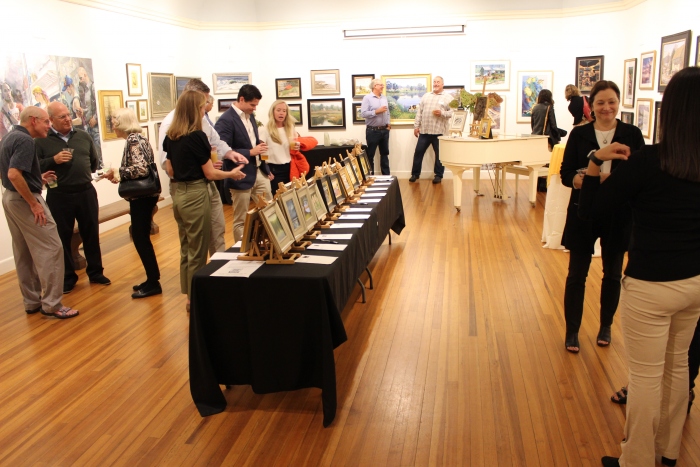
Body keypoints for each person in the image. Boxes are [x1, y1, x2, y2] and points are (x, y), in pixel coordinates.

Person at [577, 67, 700, 467]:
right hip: (695, 282)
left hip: (652, 284)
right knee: (678, 365)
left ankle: (637, 460)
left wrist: (595, 161)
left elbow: (593, 209)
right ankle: (667, 452)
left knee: (646, 376)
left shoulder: (648, 162)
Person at [559, 80, 644, 353]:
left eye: (611, 102)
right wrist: (585, 180)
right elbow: (566, 174)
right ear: (592, 106)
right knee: (576, 275)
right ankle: (572, 330)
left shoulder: (632, 134)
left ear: (619, 103)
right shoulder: (579, 134)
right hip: (583, 211)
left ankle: (606, 325)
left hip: (618, 213)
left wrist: (605, 180)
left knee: (613, 274)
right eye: (600, 102)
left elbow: (638, 175)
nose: (607, 107)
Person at [164, 91, 245, 311]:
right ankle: (196, 299)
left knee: (186, 247)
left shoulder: (171, 136)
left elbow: (170, 170)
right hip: (197, 194)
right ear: (194, 110)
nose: (204, 111)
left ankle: (189, 294)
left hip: (180, 194)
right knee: (198, 250)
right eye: (202, 107)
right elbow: (210, 173)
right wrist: (231, 173)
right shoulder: (197, 136)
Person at [0, 106, 78, 319]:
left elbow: (9, 173)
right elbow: (14, 174)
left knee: (23, 251)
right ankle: (52, 304)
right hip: (24, 201)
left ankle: (32, 301)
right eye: (46, 121)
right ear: (33, 120)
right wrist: (33, 203)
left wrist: (36, 179)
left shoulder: (9, 137)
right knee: (52, 248)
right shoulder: (25, 140)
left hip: (10, 198)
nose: (49, 126)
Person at [158, 78, 248, 254]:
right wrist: (206, 166)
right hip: (188, 186)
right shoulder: (171, 124)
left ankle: (217, 267)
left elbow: (215, 140)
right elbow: (168, 166)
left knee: (216, 230)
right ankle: (202, 271)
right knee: (194, 243)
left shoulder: (201, 120)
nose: (206, 106)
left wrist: (229, 153)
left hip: (206, 183)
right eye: (203, 102)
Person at [35, 101, 111, 294]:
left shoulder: (83, 136)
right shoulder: (41, 141)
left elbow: (93, 163)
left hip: (86, 192)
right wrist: (53, 160)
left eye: (68, 115)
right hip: (59, 195)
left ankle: (96, 272)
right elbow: (34, 167)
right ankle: (68, 277)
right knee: (62, 238)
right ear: (51, 120)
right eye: (62, 117)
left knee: (91, 233)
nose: (68, 119)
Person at [106, 108, 162, 299]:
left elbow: (140, 169)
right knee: (141, 236)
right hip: (146, 196)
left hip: (142, 197)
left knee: (140, 237)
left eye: (114, 121)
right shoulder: (139, 138)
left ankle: (153, 283)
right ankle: (151, 278)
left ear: (122, 123)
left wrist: (117, 172)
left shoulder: (133, 140)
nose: (113, 125)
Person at [215, 84, 273, 242]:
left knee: (269, 210)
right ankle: (241, 251)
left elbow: (253, 143)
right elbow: (222, 150)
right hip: (240, 174)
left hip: (258, 171)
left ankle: (267, 245)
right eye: (252, 105)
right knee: (241, 219)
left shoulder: (250, 116)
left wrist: (265, 167)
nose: (254, 108)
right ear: (241, 99)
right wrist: (250, 152)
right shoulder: (225, 120)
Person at [409, 76, 453, 184]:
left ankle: (438, 175)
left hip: (439, 132)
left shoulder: (448, 98)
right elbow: (419, 112)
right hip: (425, 131)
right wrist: (416, 126)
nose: (436, 84)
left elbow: (453, 113)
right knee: (418, 153)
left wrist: (442, 113)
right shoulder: (426, 96)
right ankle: (415, 174)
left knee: (440, 155)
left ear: (442, 84)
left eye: (438, 82)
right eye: (434, 82)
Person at [259, 99, 300, 195]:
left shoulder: (290, 128)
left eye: (284, 111)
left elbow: (294, 145)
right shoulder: (264, 130)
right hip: (274, 170)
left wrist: (297, 146)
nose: (281, 113)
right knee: (278, 198)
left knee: (292, 197)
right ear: (272, 111)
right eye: (278, 110)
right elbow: (262, 153)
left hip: (290, 168)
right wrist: (266, 170)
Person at [360, 78, 391, 175]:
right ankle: (370, 177)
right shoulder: (367, 98)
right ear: (374, 86)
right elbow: (363, 114)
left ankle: (386, 177)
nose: (383, 86)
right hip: (372, 131)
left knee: (385, 154)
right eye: (381, 85)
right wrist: (377, 111)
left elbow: (387, 112)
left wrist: (388, 123)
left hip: (384, 131)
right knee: (370, 155)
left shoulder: (384, 98)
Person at [77, 66, 103, 168]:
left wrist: (95, 118)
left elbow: (99, 104)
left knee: (99, 154)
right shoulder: (85, 91)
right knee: (93, 154)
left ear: (85, 75)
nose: (80, 81)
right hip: (88, 126)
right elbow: (88, 108)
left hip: (95, 126)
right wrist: (82, 111)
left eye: (80, 78)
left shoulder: (93, 87)